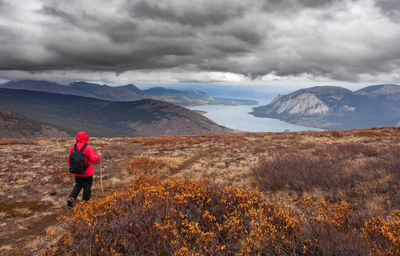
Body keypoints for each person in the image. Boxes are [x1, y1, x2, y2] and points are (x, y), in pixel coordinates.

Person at [67, 132, 101, 207]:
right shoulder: (87, 147)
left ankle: (71, 197)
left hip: (77, 171)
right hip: (87, 172)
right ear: (86, 138)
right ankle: (85, 204)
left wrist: (72, 167)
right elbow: (93, 159)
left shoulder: (73, 147)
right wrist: (98, 155)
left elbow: (70, 159)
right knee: (87, 186)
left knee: (78, 185)